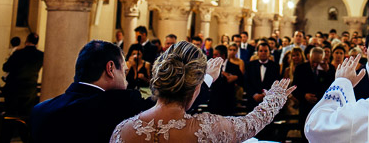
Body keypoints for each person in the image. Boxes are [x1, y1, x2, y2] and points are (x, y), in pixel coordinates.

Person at [30, 40, 216, 143]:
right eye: (124, 72)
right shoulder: (121, 104)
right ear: (111, 69)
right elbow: (171, 109)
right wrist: (207, 79)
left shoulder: (40, 111)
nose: (126, 81)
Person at [111, 41, 294, 142]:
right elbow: (251, 123)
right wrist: (275, 99)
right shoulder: (205, 128)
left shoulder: (123, 130)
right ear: (196, 86)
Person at [294, 47, 334, 135]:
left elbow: (333, 88)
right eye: (313, 61)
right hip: (305, 108)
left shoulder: (329, 69)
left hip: (322, 109)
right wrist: (304, 95)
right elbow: (295, 88)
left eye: (318, 62)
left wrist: (327, 72)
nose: (315, 64)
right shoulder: (301, 68)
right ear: (309, 57)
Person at [2, 32, 44, 115]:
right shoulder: (41, 55)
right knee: (26, 114)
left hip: (14, 88)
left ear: (26, 40)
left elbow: (5, 67)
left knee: (12, 113)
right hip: (30, 90)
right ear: (37, 42)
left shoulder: (18, 53)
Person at [208, 44, 241, 115]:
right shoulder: (210, 67)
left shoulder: (234, 67)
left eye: (216, 55)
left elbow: (242, 81)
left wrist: (235, 77)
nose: (213, 57)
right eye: (213, 55)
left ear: (223, 56)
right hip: (214, 103)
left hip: (228, 102)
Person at [246, 40, 279, 106]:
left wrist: (264, 95)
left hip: (269, 101)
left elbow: (276, 83)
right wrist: (254, 95)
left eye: (265, 51)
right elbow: (246, 82)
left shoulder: (275, 66)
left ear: (269, 52)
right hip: (253, 100)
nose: (263, 53)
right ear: (257, 52)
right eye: (261, 51)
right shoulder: (250, 65)